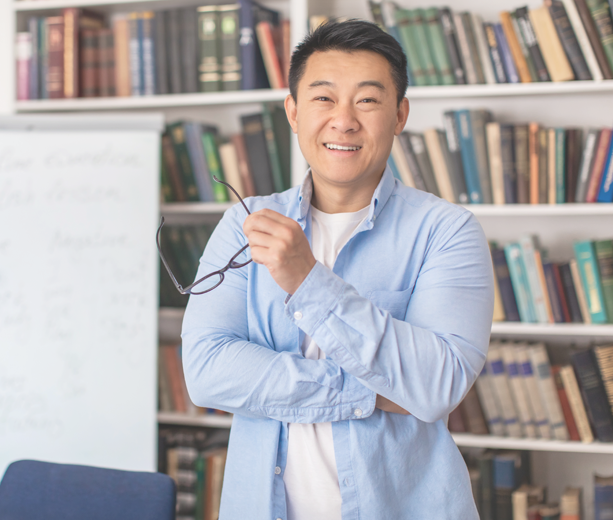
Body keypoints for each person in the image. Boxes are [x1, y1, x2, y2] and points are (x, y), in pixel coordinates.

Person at [180, 19, 494, 520]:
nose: (343, 120)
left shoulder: (448, 230)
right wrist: (375, 390)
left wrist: (308, 280)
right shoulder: (246, 221)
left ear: (400, 114)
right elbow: (206, 373)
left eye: (367, 100)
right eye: (323, 98)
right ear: (293, 111)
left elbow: (438, 387)